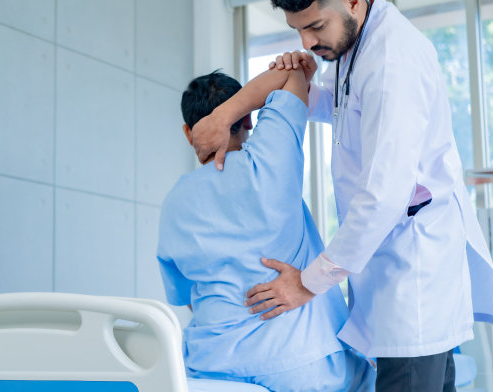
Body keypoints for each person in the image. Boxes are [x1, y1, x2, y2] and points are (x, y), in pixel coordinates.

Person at [189, 0, 493, 391]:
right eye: (297, 30)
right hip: (392, 265)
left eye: (315, 27)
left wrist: (305, 284)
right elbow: (337, 105)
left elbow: (383, 196)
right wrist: (290, 85)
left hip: (413, 272)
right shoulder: (358, 41)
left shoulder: (392, 61)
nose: (306, 43)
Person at [157, 64, 375, 392]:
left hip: (210, 369)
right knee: (373, 375)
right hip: (302, 368)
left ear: (188, 133)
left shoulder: (174, 202)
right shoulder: (269, 160)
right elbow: (292, 77)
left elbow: (187, 295)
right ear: (247, 119)